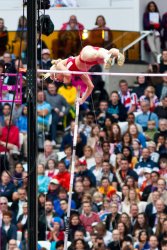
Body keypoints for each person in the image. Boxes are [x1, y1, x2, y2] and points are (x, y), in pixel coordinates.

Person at [45, 45, 125, 104]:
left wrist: (65, 81)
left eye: (56, 78)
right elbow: (91, 86)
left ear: (57, 72)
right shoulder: (79, 73)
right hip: (92, 61)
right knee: (103, 57)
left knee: (98, 55)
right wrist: (82, 99)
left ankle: (108, 57)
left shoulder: (60, 65)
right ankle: (116, 53)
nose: (57, 81)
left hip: (85, 55)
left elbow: (68, 76)